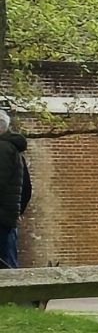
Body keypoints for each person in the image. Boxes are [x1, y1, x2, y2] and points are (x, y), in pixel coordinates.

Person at [0, 108, 28, 269]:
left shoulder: (3, 148)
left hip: (2, 216)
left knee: (6, 268)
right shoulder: (11, 148)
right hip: (7, 215)